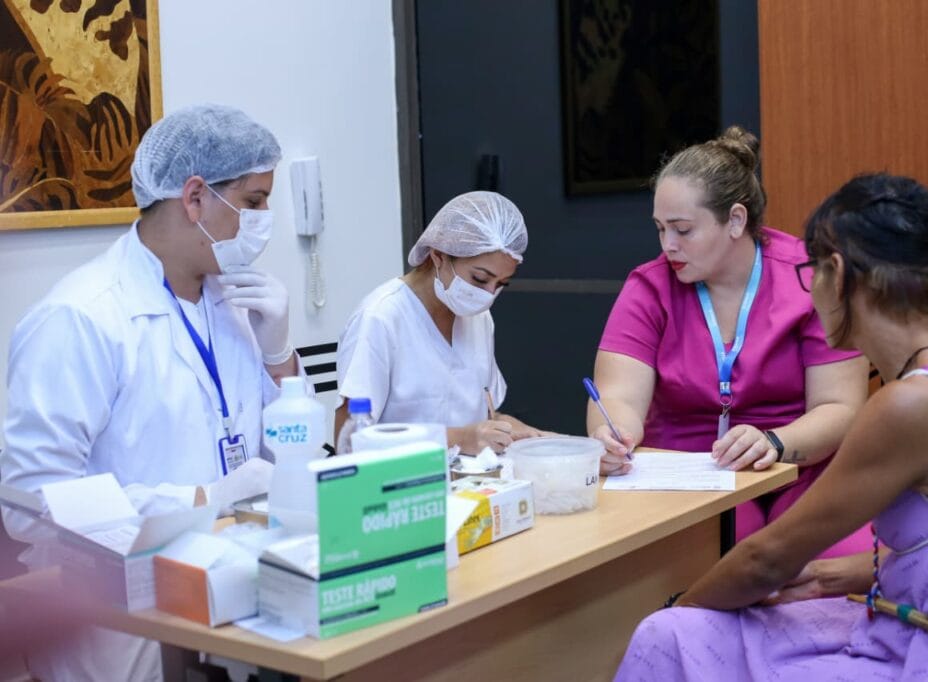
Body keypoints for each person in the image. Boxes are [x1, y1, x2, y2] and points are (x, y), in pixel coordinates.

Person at [614, 173, 928, 681]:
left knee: (670, 633)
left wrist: (681, 604)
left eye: (811, 273)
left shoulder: (911, 404)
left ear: (838, 273)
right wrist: (829, 576)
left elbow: (767, 559)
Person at [1, 104, 300, 681]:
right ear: (195, 198)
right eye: (255, 201)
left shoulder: (232, 302)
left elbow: (285, 454)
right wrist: (201, 499)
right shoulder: (82, 317)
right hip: (120, 620)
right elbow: (32, 501)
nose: (264, 220)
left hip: (232, 592)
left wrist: (278, 357)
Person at [590, 126, 870, 556]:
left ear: (736, 220)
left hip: (798, 463)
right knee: (721, 555)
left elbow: (840, 407)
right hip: (690, 475)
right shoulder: (649, 287)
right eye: (660, 229)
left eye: (683, 230)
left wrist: (774, 442)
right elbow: (616, 396)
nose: (667, 245)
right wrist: (614, 436)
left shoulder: (809, 278)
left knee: (839, 560)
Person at [334, 191, 547, 454]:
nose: (488, 294)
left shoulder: (478, 318)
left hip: (471, 474)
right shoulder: (380, 318)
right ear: (438, 256)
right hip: (402, 477)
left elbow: (485, 415)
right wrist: (459, 439)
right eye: (480, 279)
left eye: (501, 283)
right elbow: (349, 442)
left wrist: (516, 431)